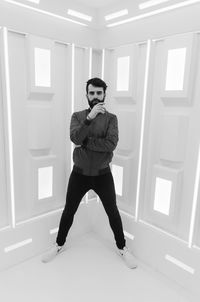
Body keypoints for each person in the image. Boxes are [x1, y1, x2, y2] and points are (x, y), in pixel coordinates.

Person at [42, 77, 137, 269]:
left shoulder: (112, 119)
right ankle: (59, 244)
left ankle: (122, 248)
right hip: (79, 174)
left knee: (113, 212)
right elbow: (74, 137)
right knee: (69, 210)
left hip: (103, 175)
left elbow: (111, 144)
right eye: (91, 93)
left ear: (104, 95)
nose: (95, 96)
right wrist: (89, 118)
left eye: (98, 93)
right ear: (87, 95)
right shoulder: (78, 116)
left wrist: (85, 143)